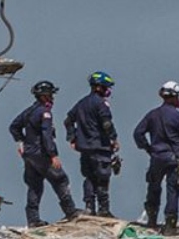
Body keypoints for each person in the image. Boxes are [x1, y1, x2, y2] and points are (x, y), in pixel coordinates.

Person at [9, 81, 81, 228]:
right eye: (50, 95)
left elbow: (14, 126)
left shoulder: (29, 111)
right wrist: (53, 155)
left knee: (34, 186)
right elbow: (46, 136)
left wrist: (21, 142)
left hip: (29, 155)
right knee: (60, 179)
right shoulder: (45, 113)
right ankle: (71, 212)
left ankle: (33, 219)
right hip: (41, 154)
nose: (52, 98)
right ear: (43, 96)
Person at [133, 81, 179, 235]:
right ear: (174, 97)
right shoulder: (178, 116)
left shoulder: (152, 115)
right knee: (173, 190)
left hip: (157, 157)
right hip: (175, 159)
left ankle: (151, 222)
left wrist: (148, 148)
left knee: (153, 188)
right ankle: (170, 226)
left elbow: (138, 133)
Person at [64, 71, 120, 217]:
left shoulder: (81, 103)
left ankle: (89, 207)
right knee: (102, 178)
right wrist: (113, 139)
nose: (108, 91)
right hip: (100, 147)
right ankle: (104, 209)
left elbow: (68, 120)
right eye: (106, 87)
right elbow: (107, 124)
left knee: (89, 177)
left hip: (84, 148)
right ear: (99, 87)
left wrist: (73, 138)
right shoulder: (101, 104)